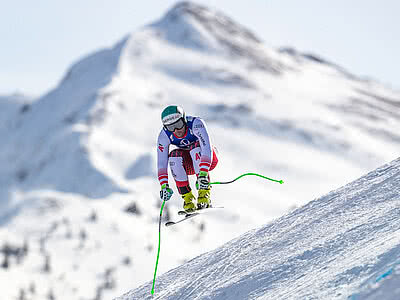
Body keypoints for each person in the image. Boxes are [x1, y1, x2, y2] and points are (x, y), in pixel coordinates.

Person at [157, 105, 219, 212]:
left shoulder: (196, 124)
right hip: (189, 164)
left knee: (194, 147)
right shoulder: (164, 135)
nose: (176, 130)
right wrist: (164, 186)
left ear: (184, 119)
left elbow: (206, 148)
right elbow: (162, 163)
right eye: (171, 127)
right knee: (174, 156)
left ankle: (204, 195)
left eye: (179, 125)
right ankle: (188, 200)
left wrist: (203, 174)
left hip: (208, 159)